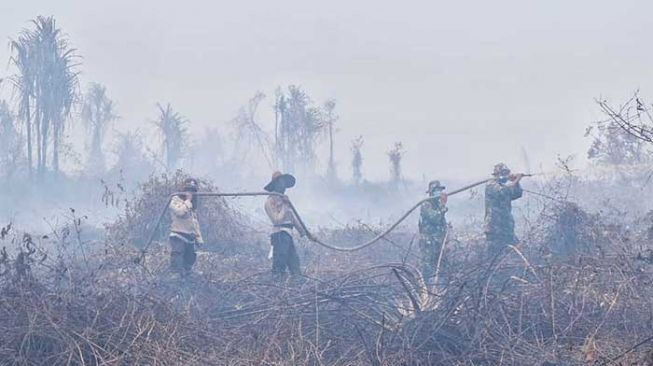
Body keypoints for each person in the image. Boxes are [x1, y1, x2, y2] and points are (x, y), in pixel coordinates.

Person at [263, 171, 307, 278]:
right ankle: (276, 287)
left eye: (284, 183)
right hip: (279, 235)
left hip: (287, 235)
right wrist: (285, 206)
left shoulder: (284, 200)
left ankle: (298, 284)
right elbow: (276, 220)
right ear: (276, 184)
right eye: (282, 182)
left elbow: (292, 217)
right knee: (279, 263)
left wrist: (303, 231)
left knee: (294, 263)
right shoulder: (269, 201)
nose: (284, 186)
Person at [484, 163, 524, 257]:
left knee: (516, 250)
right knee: (493, 255)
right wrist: (516, 180)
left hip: (506, 227)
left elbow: (517, 193)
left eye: (507, 173)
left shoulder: (504, 186)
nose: (506, 175)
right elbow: (502, 192)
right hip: (495, 228)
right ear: (497, 174)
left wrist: (516, 182)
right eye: (503, 173)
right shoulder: (491, 185)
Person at [168, 178, 204, 276]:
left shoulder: (192, 205)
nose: (190, 192)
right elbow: (180, 212)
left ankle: (188, 272)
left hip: (190, 235)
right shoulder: (175, 199)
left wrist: (199, 238)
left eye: (193, 190)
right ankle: (175, 274)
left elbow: (194, 223)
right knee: (177, 254)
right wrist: (187, 201)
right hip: (178, 234)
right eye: (188, 190)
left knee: (190, 256)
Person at [418, 180, 449, 283]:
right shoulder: (426, 205)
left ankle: (439, 287)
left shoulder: (437, 205)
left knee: (441, 266)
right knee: (428, 267)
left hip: (438, 242)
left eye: (440, 190)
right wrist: (443, 206)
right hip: (428, 242)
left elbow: (441, 222)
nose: (439, 193)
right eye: (437, 190)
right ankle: (426, 289)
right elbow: (434, 218)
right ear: (431, 192)